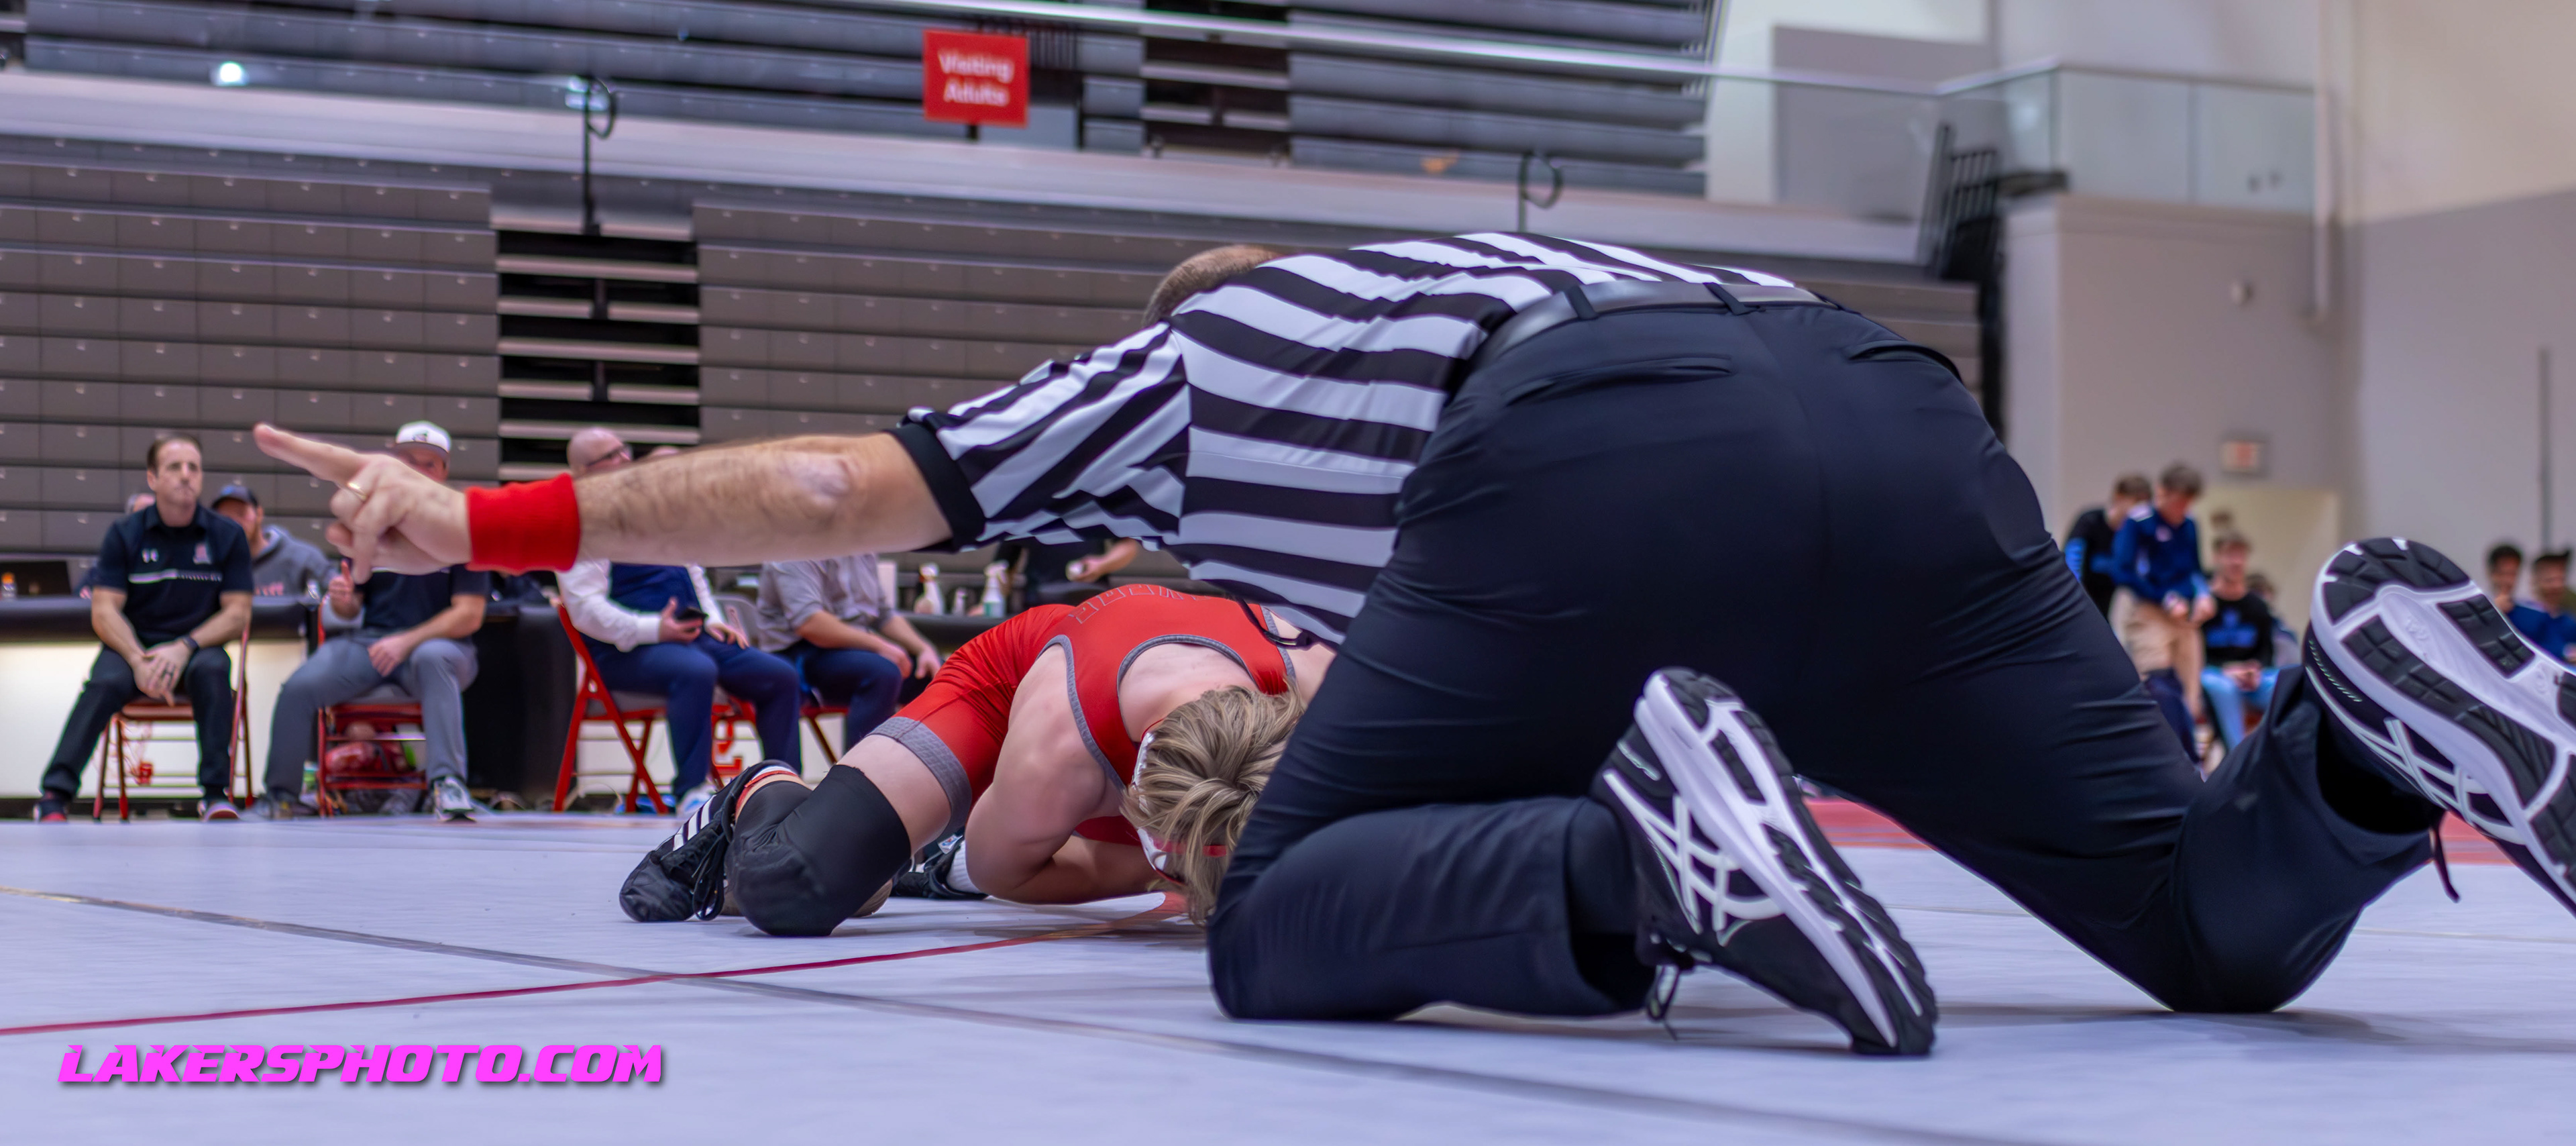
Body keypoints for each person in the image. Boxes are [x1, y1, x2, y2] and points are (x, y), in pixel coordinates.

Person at [260, 233, 2576, 1061]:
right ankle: (2373, 724)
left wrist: (483, 516)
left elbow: (823, 495)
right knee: (2200, 922)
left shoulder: (1201, 359)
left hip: (1593, 455)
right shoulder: (1481, 271)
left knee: (1275, 915)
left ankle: (1642, 865)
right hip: (1890, 412)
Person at [623, 583, 1335, 932]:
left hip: (1145, 736)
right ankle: (759, 790)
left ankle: (903, 853)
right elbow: (1003, 874)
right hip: (1009, 682)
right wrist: (1156, 873)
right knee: (794, 885)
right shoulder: (1054, 753)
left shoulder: (1321, 681)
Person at [561, 427, 805, 817]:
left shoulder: (658, 513)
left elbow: (693, 572)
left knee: (780, 676)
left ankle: (783, 784)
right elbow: (585, 610)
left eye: (624, 450)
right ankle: (692, 790)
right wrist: (654, 629)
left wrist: (711, 618)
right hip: (625, 652)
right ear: (582, 472)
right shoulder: (583, 527)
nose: (624, 460)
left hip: (690, 639)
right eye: (610, 457)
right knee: (695, 669)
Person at [250, 422, 486, 822]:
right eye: (409, 461)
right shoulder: (370, 523)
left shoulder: (461, 526)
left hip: (440, 649)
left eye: (429, 464)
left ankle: (448, 784)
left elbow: (469, 615)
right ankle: (281, 796)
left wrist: (407, 642)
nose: (418, 471)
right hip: (372, 644)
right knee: (299, 687)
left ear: (444, 472)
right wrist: (343, 600)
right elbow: (349, 607)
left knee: (432, 658)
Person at [36, 435, 253, 822]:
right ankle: (55, 796)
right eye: (174, 467)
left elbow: (238, 613)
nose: (186, 475)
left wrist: (184, 647)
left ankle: (215, 795)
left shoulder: (227, 535)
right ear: (152, 478)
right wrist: (138, 659)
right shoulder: (125, 533)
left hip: (196, 647)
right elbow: (104, 611)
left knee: (215, 670)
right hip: (134, 648)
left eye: (193, 467)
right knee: (103, 683)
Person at [750, 552, 941, 745]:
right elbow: (809, 624)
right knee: (883, 673)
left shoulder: (862, 548)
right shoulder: (794, 548)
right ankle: (863, 763)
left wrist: (924, 649)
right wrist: (880, 646)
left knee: (939, 675)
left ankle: (925, 761)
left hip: (858, 648)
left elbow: (883, 615)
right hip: (800, 654)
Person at [2112, 464, 2216, 752]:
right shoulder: (2139, 522)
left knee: (2190, 692)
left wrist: (2204, 595)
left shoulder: (2190, 523)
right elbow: (2123, 572)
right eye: (2179, 502)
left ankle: (2190, 758)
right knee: (2157, 686)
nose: (2183, 509)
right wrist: (2164, 599)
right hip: (2149, 614)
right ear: (2162, 493)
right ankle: (2154, 754)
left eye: (2188, 503)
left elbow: (2195, 570)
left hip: (2185, 617)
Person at [2198, 532, 2279, 753]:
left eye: (2241, 555)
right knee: (2223, 688)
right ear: (2216, 558)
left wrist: (2255, 669)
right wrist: (2228, 670)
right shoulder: (2204, 605)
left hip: (2250, 677)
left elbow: (2267, 651)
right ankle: (2239, 758)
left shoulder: (2258, 605)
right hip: (2214, 674)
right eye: (2230, 555)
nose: (2236, 562)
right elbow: (2195, 654)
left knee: (2283, 684)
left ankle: (2278, 754)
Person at [210, 484, 333, 599]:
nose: (234, 524)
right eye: (226, 519)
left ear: (259, 514)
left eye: (241, 513)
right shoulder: (211, 564)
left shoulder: (304, 558)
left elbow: (336, 600)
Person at [2064, 474, 2153, 617]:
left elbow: (2140, 573)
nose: (2140, 511)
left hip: (2109, 608)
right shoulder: (2089, 521)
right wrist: (2076, 600)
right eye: (2136, 503)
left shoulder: (2138, 533)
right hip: (2078, 604)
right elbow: (2071, 564)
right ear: (2119, 497)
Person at [995, 537, 1145, 608]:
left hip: (1092, 602)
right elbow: (1003, 566)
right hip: (1040, 602)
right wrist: (990, 602)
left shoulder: (1095, 495)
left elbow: (1128, 546)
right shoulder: (1029, 500)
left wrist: (1102, 565)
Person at [2508, 549, 2576, 663]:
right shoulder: (2519, 615)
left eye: (2561, 579)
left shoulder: (2569, 622)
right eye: (2550, 580)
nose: (2556, 586)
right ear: (2535, 581)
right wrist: (2564, 652)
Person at [2487, 542, 2525, 614]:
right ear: (2491, 574)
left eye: (2512, 574)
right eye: (2502, 573)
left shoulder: (2530, 611)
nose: (2507, 580)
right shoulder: (2476, 609)